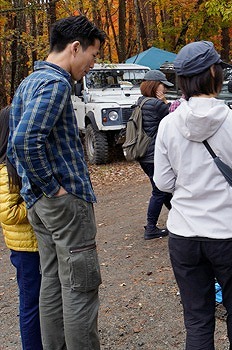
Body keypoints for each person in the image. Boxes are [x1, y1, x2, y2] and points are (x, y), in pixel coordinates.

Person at [153, 41, 232, 350]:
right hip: (229, 233)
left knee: (197, 318)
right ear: (214, 74)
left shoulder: (168, 124)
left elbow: (163, 182)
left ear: (183, 81)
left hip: (184, 234)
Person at [8, 16, 106, 349]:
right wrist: (53, 187)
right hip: (62, 204)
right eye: (92, 56)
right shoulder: (55, 83)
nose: (91, 65)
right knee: (81, 286)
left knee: (52, 282)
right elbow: (24, 141)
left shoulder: (28, 82)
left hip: (40, 206)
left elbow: (13, 147)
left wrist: (33, 191)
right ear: (75, 48)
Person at [0, 106, 43, 350]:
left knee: (39, 301)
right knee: (30, 303)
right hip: (25, 249)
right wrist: (37, 202)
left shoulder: (17, 165)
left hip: (33, 245)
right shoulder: (6, 171)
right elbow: (8, 213)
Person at [137, 69, 174, 240]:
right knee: (159, 190)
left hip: (143, 154)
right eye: (162, 86)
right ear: (154, 86)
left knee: (164, 189)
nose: (164, 89)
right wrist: (165, 101)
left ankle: (178, 216)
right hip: (154, 155)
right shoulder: (157, 105)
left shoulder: (141, 102)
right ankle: (150, 228)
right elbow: (173, 121)